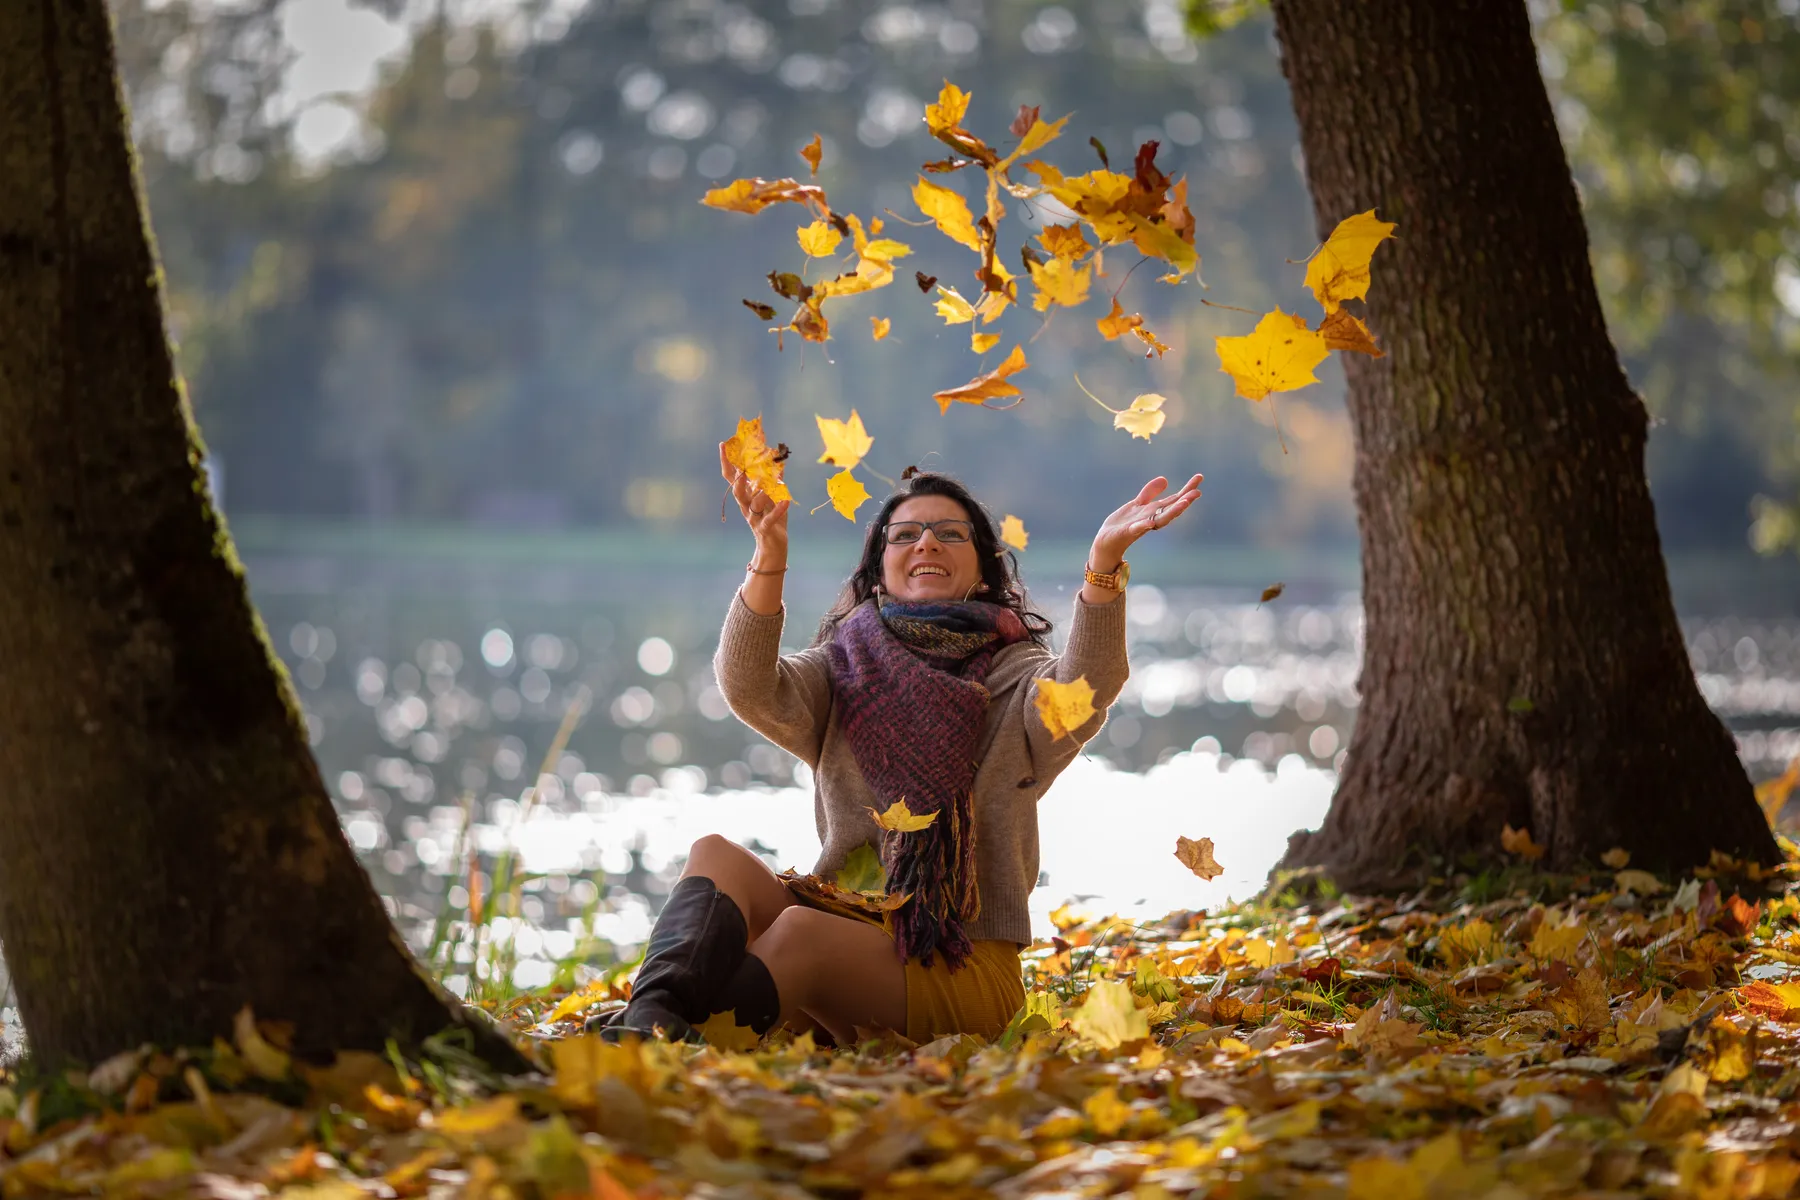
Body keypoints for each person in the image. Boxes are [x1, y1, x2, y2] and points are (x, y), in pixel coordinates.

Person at [592, 448, 1203, 1046]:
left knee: (802, 931)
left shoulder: (1019, 678)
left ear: (985, 569)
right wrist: (769, 559)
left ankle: (688, 1050)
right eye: (904, 534)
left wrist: (1103, 567)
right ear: (880, 566)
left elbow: (1086, 688)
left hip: (959, 967)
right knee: (716, 854)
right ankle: (649, 1026)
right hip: (839, 932)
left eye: (948, 534)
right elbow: (749, 686)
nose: (926, 544)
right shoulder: (843, 667)